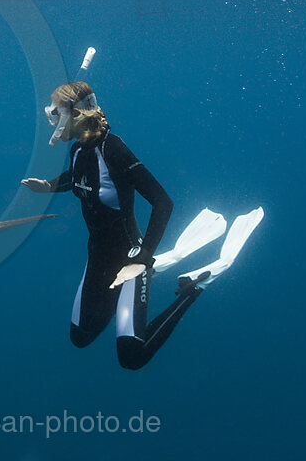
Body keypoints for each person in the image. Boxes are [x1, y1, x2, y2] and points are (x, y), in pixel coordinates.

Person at [21, 81, 207, 370]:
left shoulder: (113, 149)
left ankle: (190, 291)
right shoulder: (78, 150)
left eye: (55, 114)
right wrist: (48, 186)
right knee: (80, 337)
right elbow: (78, 176)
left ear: (75, 114)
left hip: (129, 258)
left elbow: (163, 202)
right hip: (97, 258)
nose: (52, 122)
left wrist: (143, 259)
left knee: (131, 356)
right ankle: (123, 299)